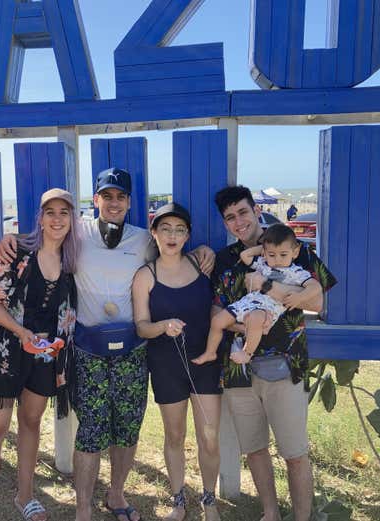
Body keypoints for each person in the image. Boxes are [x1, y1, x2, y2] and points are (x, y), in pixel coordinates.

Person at [0, 168, 214, 521]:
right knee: (92, 428)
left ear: (129, 202)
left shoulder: (144, 239)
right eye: (106, 196)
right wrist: (8, 238)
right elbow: (43, 236)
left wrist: (203, 248)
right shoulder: (77, 232)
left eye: (121, 197)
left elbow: (173, 251)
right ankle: (83, 508)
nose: (114, 203)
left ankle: (116, 495)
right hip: (87, 348)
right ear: (95, 200)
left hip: (131, 347)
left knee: (127, 425)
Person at [211, 185, 336, 521]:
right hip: (238, 370)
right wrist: (249, 327)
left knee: (295, 452)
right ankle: (270, 513)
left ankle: (301, 517)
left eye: (243, 212)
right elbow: (215, 313)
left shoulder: (291, 246)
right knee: (254, 449)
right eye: (230, 218)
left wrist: (268, 287)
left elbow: (319, 300)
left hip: (287, 364)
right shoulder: (224, 261)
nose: (238, 222)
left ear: (255, 210)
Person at [0, 188, 79, 521]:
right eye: (50, 212)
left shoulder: (72, 261)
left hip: (45, 356)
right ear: (40, 218)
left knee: (31, 422)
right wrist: (21, 333)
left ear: (73, 219)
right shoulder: (16, 250)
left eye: (64, 212)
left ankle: (25, 496)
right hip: (5, 350)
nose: (57, 219)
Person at [131, 203, 221, 521]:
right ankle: (179, 500)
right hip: (166, 364)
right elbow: (141, 326)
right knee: (174, 436)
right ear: (154, 233)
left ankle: (209, 500)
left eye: (179, 229)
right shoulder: (146, 276)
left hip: (205, 361)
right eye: (165, 228)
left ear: (187, 236)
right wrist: (163, 325)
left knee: (209, 435)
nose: (172, 235)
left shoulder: (202, 265)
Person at [193, 223, 323, 366]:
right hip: (246, 303)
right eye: (272, 254)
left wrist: (300, 297)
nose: (277, 259)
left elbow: (315, 287)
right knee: (217, 321)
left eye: (283, 254)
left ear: (295, 252)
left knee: (255, 319)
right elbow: (245, 255)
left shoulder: (297, 272)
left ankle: (247, 353)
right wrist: (264, 249)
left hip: (267, 310)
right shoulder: (263, 263)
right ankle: (210, 352)